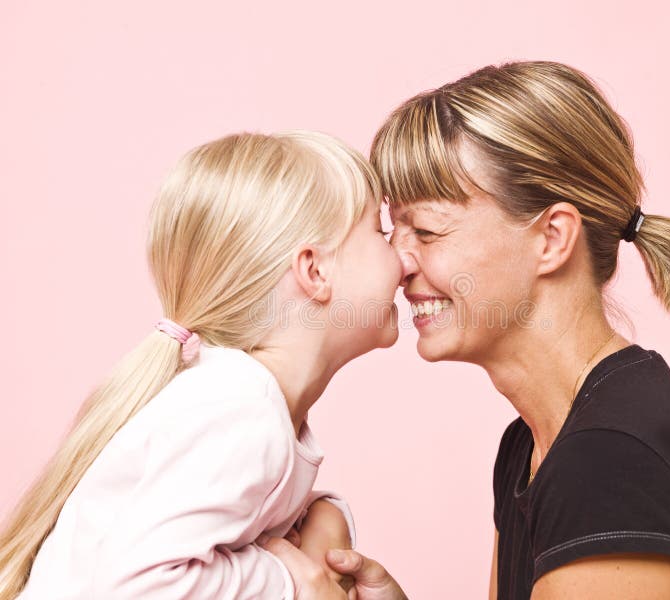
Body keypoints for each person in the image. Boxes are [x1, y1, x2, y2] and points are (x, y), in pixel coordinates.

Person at [309, 61, 670, 598]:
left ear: (552, 238)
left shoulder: (609, 458)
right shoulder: (532, 445)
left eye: (426, 229)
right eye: (392, 228)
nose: (398, 263)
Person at [0, 131, 403, 599]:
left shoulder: (240, 400)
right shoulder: (240, 411)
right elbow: (140, 584)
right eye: (381, 230)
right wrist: (290, 582)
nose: (404, 254)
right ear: (315, 271)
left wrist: (324, 515)